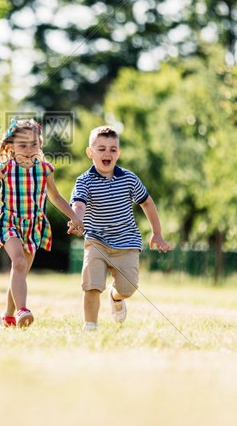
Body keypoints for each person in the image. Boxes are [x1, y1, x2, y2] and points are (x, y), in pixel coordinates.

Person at [0, 119, 83, 328]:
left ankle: (9, 314)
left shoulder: (45, 170)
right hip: (8, 222)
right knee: (19, 263)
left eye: (34, 144)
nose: (29, 149)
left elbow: (56, 197)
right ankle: (23, 309)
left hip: (33, 226)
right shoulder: (4, 169)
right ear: (11, 146)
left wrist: (74, 216)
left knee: (19, 271)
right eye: (23, 145)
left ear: (40, 144)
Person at [70, 125, 172, 331]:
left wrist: (157, 233)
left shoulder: (129, 179)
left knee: (129, 288)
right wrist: (77, 220)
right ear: (90, 153)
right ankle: (90, 327)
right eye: (101, 149)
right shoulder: (85, 181)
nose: (107, 153)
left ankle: (115, 297)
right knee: (91, 286)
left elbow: (147, 203)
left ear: (118, 153)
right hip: (96, 241)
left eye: (112, 149)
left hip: (126, 242)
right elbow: (79, 204)